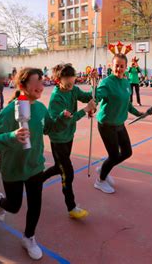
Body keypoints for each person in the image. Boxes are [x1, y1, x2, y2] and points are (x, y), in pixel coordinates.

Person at [0, 67, 70, 260]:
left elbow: (49, 127)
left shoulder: (40, 108)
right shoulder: (8, 113)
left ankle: (29, 237)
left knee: (35, 204)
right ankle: (0, 202)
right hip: (13, 168)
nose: (42, 85)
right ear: (23, 86)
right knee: (14, 206)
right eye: (37, 81)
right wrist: (11, 136)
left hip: (35, 166)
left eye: (42, 80)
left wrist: (63, 120)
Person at [94, 51, 152, 194]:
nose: (119, 69)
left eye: (122, 66)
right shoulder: (106, 82)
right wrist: (93, 99)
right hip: (107, 125)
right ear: (111, 65)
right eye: (117, 66)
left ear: (126, 67)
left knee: (127, 152)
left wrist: (140, 114)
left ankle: (104, 167)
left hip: (120, 124)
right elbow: (98, 95)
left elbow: (127, 104)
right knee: (114, 155)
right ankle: (100, 181)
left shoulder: (126, 82)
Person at [42, 63, 96, 219]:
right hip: (58, 138)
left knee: (59, 168)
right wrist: (85, 110)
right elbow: (64, 122)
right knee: (68, 172)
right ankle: (71, 207)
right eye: (67, 78)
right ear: (59, 79)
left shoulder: (74, 90)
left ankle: (36, 181)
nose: (71, 81)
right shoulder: (56, 98)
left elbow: (91, 97)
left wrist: (93, 83)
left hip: (69, 136)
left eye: (72, 77)